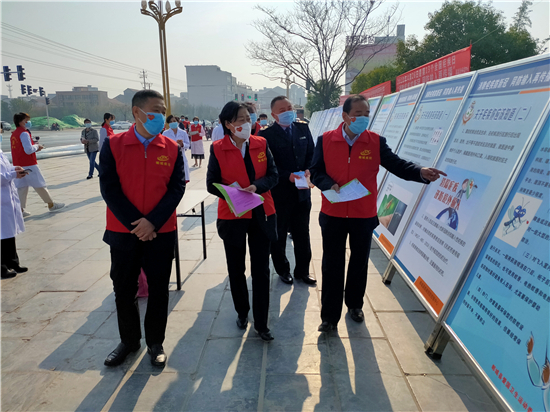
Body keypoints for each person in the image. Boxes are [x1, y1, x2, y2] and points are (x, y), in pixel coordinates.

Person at [310, 94, 446, 332]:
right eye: (358, 114)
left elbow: (397, 164)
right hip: (333, 212)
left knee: (359, 262)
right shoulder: (326, 140)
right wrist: (328, 184)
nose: (363, 118)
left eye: (366, 114)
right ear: (345, 116)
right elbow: (315, 171)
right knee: (332, 263)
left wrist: (420, 172)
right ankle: (329, 317)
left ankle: (355, 305)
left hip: (363, 214)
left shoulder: (375, 141)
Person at [99, 89, 186, 367]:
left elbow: (177, 188)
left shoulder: (171, 147)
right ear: (136, 112)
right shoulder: (113, 145)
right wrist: (137, 225)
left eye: (163, 111)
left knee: (159, 289)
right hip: (123, 232)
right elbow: (109, 189)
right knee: (124, 289)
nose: (161, 116)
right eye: (155, 110)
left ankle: (155, 342)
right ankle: (129, 341)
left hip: (161, 232)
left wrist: (153, 222)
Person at [206, 101, 278, 341]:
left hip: (261, 212)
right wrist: (232, 192)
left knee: (261, 269)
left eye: (249, 118)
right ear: (228, 124)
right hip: (233, 214)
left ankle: (262, 323)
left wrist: (256, 186)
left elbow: (273, 175)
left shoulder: (261, 143)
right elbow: (211, 183)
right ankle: (242, 311)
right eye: (241, 119)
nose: (247, 123)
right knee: (236, 268)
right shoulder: (218, 148)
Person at [258, 96, 316, 285]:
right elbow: (267, 166)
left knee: (302, 233)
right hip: (280, 193)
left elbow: (312, 154)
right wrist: (286, 176)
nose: (287, 112)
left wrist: (309, 170)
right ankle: (283, 270)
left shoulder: (302, 128)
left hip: (302, 192)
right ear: (274, 114)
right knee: (279, 234)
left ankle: (303, 271)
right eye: (282, 110)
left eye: (289, 108)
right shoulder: (266, 135)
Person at [10, 113, 65, 217]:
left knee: (22, 188)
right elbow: (28, 150)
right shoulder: (24, 133)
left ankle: (20, 210)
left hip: (18, 164)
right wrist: (37, 146)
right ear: (20, 121)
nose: (27, 122)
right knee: (39, 185)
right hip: (29, 164)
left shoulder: (14, 134)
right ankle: (51, 204)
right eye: (26, 120)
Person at [1, 127, 27, 279]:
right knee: (2, 234)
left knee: (8, 232)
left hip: (6, 197)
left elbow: (4, 169)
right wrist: (12, 174)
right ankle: (2, 267)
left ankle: (12, 262)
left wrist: (13, 169)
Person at [163, 115, 190, 183]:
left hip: (181, 156)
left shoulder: (183, 132)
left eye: (174, 121)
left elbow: (188, 145)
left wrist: (182, 144)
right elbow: (163, 146)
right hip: (169, 157)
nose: (173, 123)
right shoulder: (165, 133)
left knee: (181, 179)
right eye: (171, 122)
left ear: (177, 122)